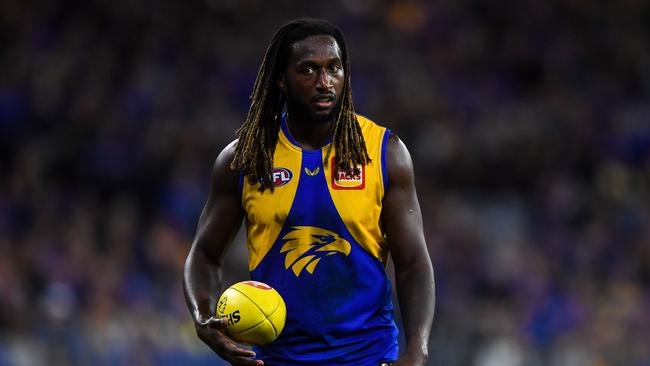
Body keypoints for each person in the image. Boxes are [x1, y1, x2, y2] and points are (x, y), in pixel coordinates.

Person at [183, 18, 435, 366]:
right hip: (274, 359)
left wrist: (418, 350)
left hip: (367, 356)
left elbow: (413, 264)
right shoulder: (246, 158)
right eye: (308, 70)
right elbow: (204, 254)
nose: (324, 82)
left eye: (334, 68)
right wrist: (203, 318)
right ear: (281, 80)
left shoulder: (385, 153)